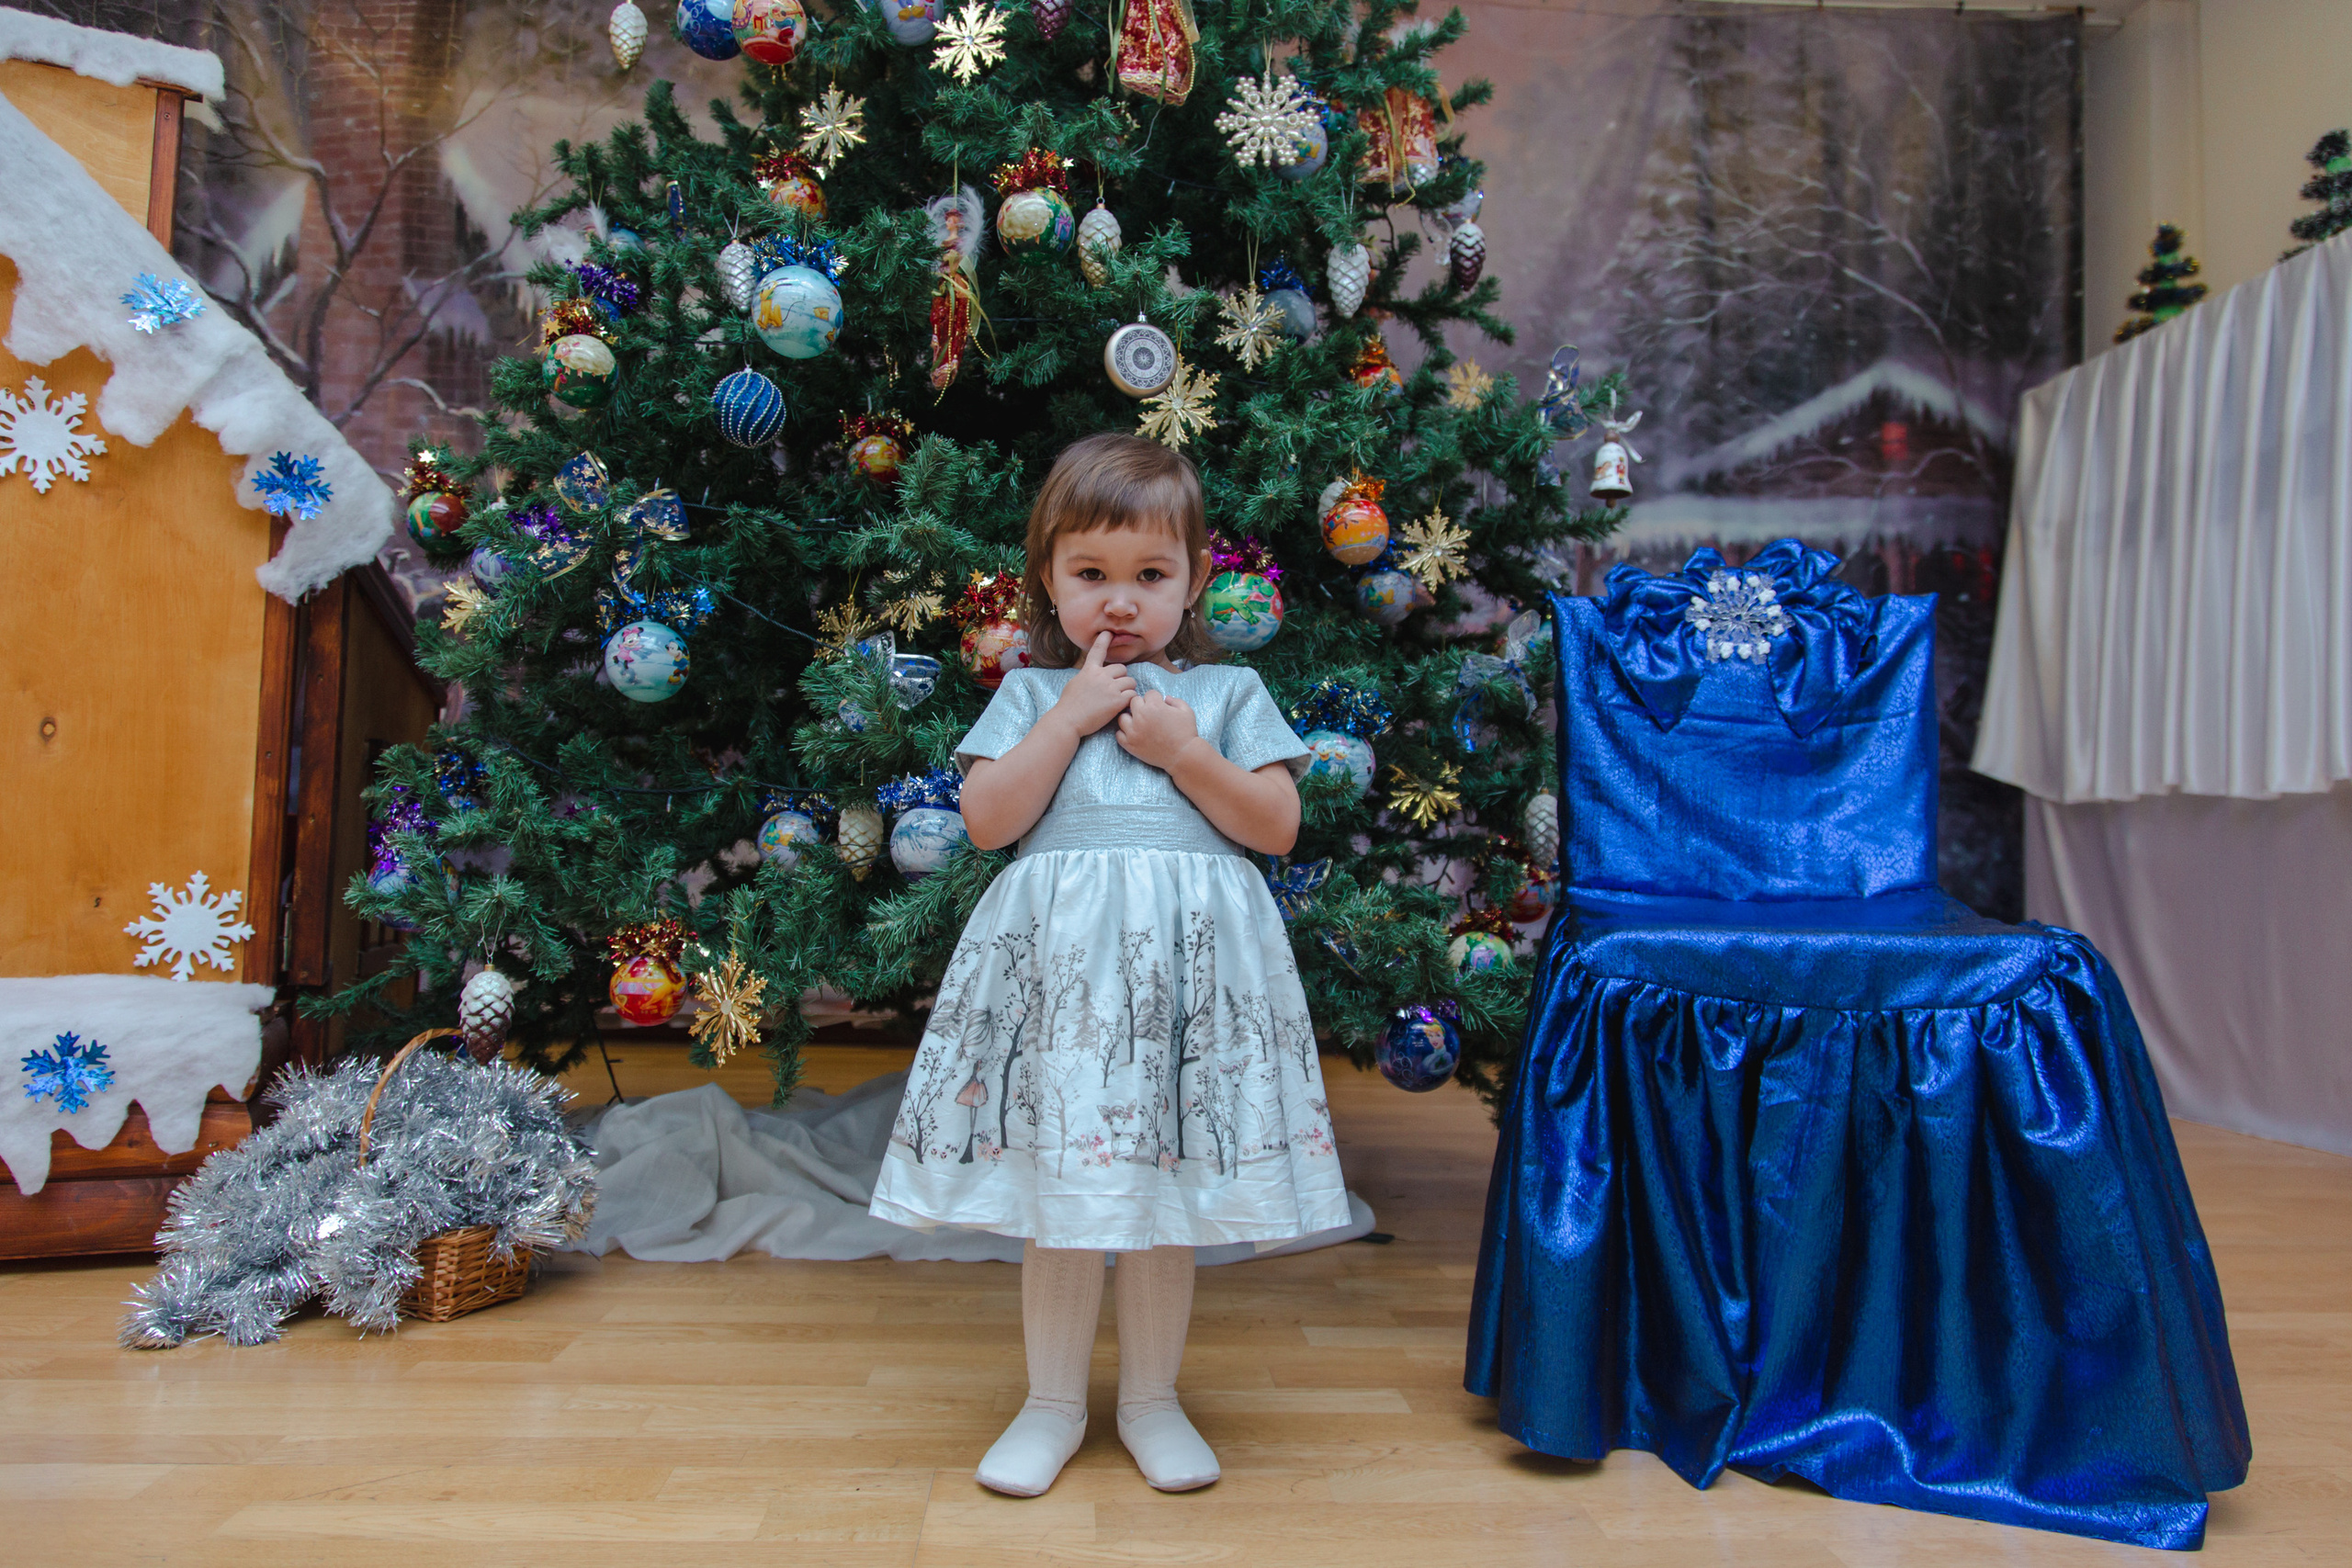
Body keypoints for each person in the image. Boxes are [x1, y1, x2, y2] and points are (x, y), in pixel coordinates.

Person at [869, 433, 1351, 1496]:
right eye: (1092, 576)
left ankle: (1150, 1402)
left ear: (1191, 583)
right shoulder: (1034, 694)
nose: (1120, 603)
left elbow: (1275, 826)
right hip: (1064, 993)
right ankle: (1049, 1406)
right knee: (1066, 1192)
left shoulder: (1223, 696)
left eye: (1149, 576)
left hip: (1186, 990)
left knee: (1161, 1195)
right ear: (1049, 577)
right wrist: (1074, 717)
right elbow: (988, 823)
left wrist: (1181, 752)